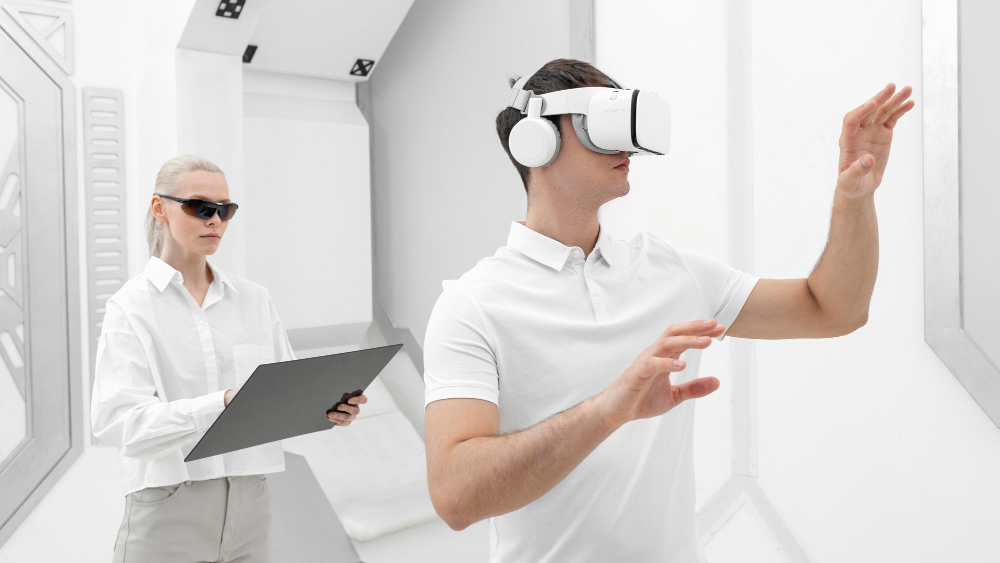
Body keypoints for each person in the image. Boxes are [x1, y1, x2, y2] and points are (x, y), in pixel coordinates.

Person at [423, 59, 913, 562]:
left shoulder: (673, 272)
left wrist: (854, 200)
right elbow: (456, 498)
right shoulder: (472, 307)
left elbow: (834, 310)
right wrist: (606, 411)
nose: (627, 146)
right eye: (601, 124)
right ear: (535, 139)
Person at [91, 155, 367, 563]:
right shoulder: (131, 307)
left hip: (251, 503)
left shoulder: (253, 300)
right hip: (169, 505)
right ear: (159, 208)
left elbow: (285, 392)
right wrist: (220, 403)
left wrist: (326, 408)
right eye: (201, 207)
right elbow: (117, 424)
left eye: (225, 210)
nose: (215, 220)